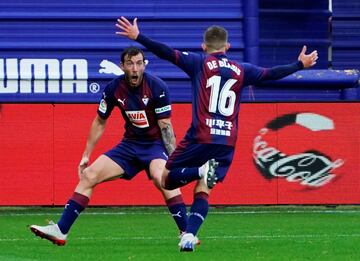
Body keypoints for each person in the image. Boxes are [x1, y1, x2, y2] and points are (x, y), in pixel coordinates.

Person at [116, 17, 319, 252]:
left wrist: (139, 37)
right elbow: (271, 74)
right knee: (204, 189)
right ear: (228, 47)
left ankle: (200, 172)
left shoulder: (198, 62)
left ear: (204, 46)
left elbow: (167, 53)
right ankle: (189, 235)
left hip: (200, 136)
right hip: (227, 141)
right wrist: (299, 65)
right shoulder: (243, 70)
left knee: (166, 179)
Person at [29, 46, 191, 246]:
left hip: (154, 146)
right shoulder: (114, 88)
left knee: (163, 179)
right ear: (122, 66)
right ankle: (61, 231)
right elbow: (100, 121)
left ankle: (187, 232)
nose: (135, 68)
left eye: (139, 63)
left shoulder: (158, 88)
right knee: (89, 175)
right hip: (129, 145)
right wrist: (86, 154)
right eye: (130, 64)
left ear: (144, 65)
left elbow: (166, 127)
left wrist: (174, 160)